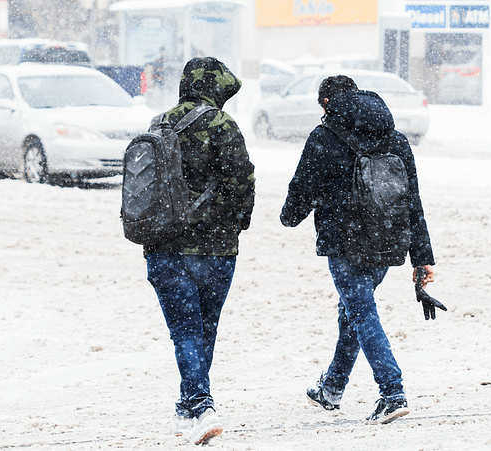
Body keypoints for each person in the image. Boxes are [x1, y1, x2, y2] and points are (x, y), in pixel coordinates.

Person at [280, 75, 436, 424]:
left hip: (345, 242)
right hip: (387, 240)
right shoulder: (395, 139)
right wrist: (422, 257)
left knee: (362, 312)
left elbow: (301, 190)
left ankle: (392, 392)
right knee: (353, 309)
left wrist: (289, 215)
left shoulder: (323, 137)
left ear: (326, 104)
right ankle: (332, 387)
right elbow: (413, 201)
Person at [144, 57, 255, 444]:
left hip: (164, 247)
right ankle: (202, 405)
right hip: (216, 250)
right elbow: (243, 182)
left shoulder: (159, 123)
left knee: (186, 331)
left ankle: (185, 404)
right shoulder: (222, 125)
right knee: (204, 329)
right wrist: (235, 225)